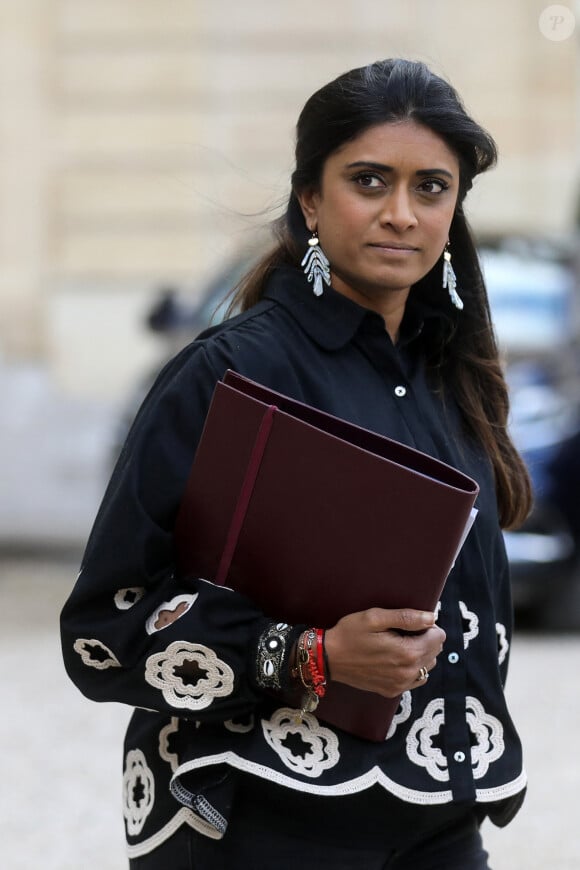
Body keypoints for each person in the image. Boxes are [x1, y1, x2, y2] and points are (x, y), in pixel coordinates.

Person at [60, 58, 532, 869]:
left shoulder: (454, 382)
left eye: (431, 188)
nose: (401, 213)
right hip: (257, 817)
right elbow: (103, 632)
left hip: (436, 820)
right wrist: (311, 655)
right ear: (310, 198)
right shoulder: (230, 373)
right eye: (370, 181)